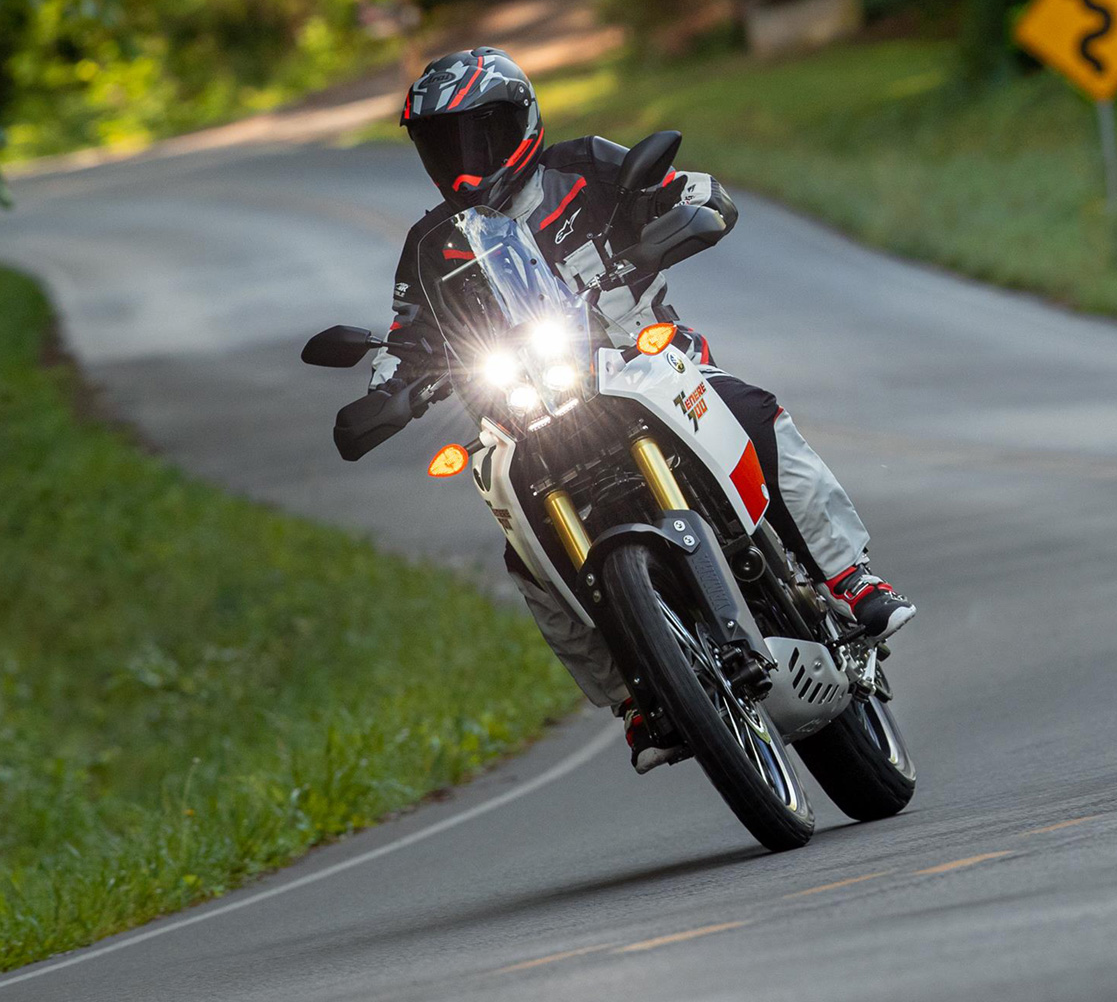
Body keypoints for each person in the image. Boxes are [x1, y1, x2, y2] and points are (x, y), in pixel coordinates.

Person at [346, 47, 914, 773]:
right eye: (442, 144)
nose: (462, 162)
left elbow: (692, 190)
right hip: (529, 408)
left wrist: (685, 213)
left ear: (519, 121)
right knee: (522, 552)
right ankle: (637, 697)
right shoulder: (431, 247)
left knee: (753, 412)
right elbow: (407, 335)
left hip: (649, 364)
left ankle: (848, 577)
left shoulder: (586, 167)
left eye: (476, 137)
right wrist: (386, 390)